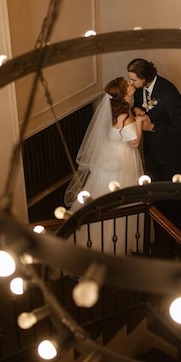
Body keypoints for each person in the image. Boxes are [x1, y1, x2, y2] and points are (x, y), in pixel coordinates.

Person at [63, 77, 145, 254]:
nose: (131, 85)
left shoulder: (111, 109)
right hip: (123, 157)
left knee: (103, 191)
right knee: (123, 193)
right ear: (124, 94)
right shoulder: (125, 115)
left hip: (110, 155)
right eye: (128, 85)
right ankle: (115, 238)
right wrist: (138, 122)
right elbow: (135, 143)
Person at [127, 58, 181, 182]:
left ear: (145, 78)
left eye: (133, 80)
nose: (130, 83)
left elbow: (179, 127)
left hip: (171, 150)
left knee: (169, 190)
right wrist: (135, 108)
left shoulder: (168, 93)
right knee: (154, 185)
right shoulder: (138, 90)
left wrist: (152, 127)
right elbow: (135, 105)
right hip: (151, 148)